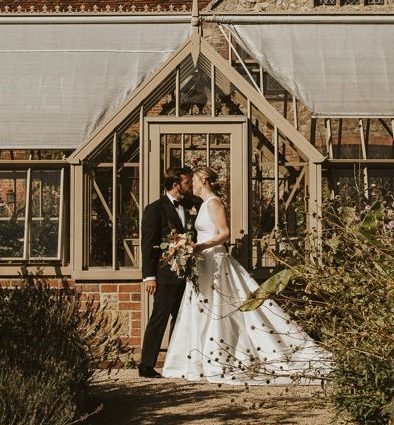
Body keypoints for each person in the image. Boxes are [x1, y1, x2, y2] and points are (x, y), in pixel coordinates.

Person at [161, 165, 331, 384]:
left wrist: (199, 247)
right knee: (201, 307)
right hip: (204, 263)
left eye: (193, 180)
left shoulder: (214, 203)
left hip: (215, 262)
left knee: (219, 307)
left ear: (203, 180)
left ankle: (220, 356)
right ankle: (196, 360)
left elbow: (225, 234)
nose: (191, 184)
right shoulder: (203, 205)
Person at [138, 164, 195, 378]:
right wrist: (149, 277)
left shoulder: (193, 205)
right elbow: (148, 244)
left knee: (182, 319)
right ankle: (146, 365)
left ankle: (174, 363)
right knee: (159, 318)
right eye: (187, 182)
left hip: (188, 274)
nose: (189, 185)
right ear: (175, 184)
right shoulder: (155, 209)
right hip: (164, 275)